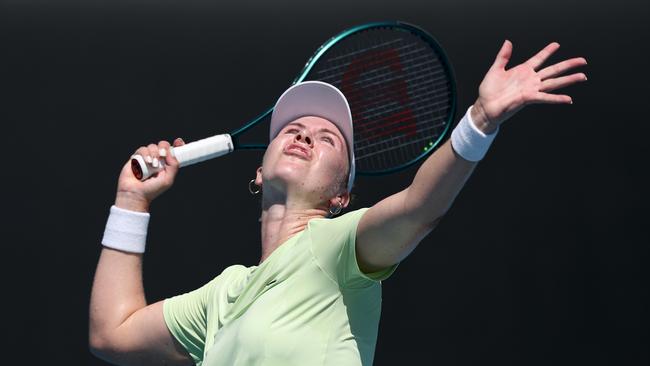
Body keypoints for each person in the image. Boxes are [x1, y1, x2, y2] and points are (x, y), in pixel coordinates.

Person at [89, 40, 587, 365]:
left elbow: (419, 206)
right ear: (259, 171)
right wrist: (131, 199)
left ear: (342, 197)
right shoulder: (225, 293)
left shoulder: (335, 250)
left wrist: (480, 119)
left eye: (328, 139)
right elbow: (112, 333)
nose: (305, 134)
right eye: (293, 128)